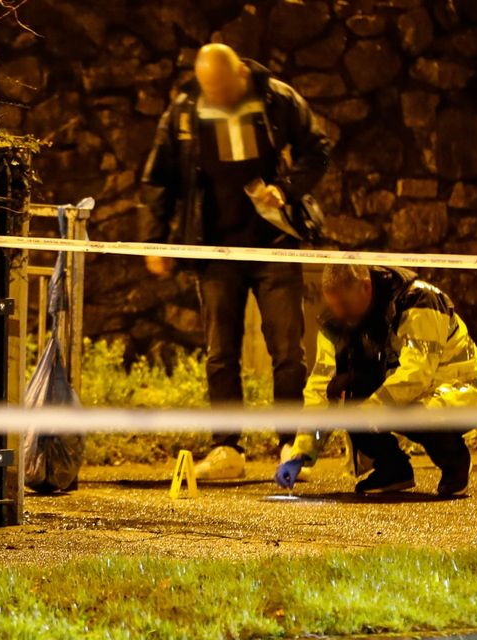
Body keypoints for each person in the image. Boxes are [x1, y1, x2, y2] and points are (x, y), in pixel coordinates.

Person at [140, 44, 332, 480]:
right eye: (212, 91)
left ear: (242, 75)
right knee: (219, 353)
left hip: (273, 244)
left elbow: (317, 149)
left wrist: (286, 188)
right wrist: (156, 241)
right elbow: (159, 178)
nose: (219, 100)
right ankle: (226, 449)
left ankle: (289, 443)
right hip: (214, 249)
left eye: (225, 90)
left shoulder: (277, 99)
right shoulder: (184, 112)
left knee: (287, 351)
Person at [275, 264, 477, 495]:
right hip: (411, 390)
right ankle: (393, 470)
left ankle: (455, 462)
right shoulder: (337, 323)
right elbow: (321, 391)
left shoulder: (419, 301)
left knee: (413, 413)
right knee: (346, 396)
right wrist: (303, 452)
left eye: (344, 304)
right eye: (334, 305)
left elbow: (416, 375)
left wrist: (368, 412)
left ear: (366, 287)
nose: (339, 313)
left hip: (458, 390)